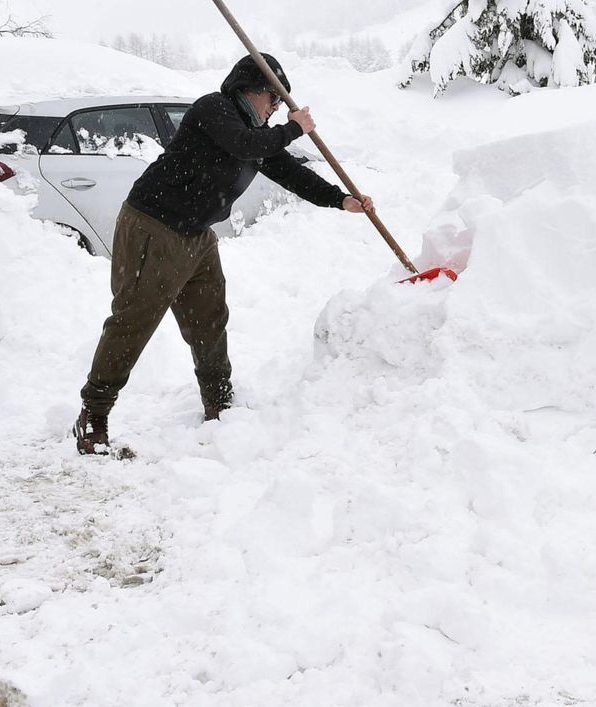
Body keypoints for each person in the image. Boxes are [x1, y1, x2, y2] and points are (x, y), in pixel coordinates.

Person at [72, 53, 375, 455]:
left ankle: (218, 402)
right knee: (134, 320)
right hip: (154, 226)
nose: (276, 109)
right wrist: (293, 128)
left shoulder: (257, 132)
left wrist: (340, 200)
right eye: (274, 100)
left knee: (209, 319)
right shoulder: (214, 110)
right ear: (253, 91)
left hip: (197, 235)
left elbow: (290, 172)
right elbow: (243, 144)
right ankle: (93, 414)